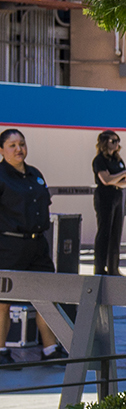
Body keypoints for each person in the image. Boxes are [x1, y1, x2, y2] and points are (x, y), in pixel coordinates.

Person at [0, 128, 65, 364]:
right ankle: (1, 351)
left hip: (37, 246)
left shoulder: (35, 174)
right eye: (12, 145)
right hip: (9, 245)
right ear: (2, 150)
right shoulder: (1, 175)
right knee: (2, 302)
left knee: (46, 297)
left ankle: (50, 350)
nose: (19, 149)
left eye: (22, 144)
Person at [91, 129, 126, 276]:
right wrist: (121, 175)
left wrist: (116, 180)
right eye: (113, 141)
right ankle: (100, 268)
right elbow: (105, 180)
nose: (116, 144)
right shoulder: (99, 160)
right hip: (104, 196)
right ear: (104, 142)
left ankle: (114, 268)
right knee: (104, 231)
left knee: (116, 232)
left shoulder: (117, 160)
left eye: (118, 141)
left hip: (117, 195)